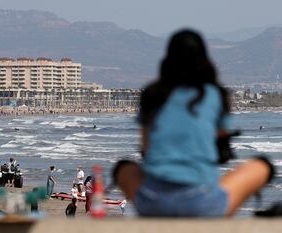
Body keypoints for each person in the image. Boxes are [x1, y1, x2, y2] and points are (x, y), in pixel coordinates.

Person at [113, 29, 274, 217]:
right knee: (262, 166)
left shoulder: (152, 94)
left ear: (168, 59)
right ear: (204, 59)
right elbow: (222, 146)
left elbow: (146, 149)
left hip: (154, 203)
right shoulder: (215, 94)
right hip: (203, 206)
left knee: (124, 168)